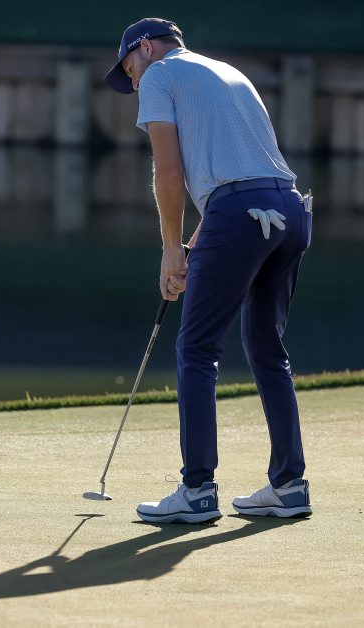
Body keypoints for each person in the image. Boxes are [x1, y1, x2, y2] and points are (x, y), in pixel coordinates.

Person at [104, 18, 314, 523]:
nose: (135, 83)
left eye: (130, 70)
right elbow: (242, 169)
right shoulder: (228, 72)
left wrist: (170, 248)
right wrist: (200, 236)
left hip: (239, 213)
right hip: (289, 210)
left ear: (146, 48)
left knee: (197, 349)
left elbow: (169, 172)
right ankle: (289, 486)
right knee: (267, 348)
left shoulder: (160, 75)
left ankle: (197, 489)